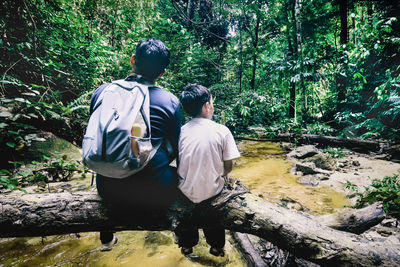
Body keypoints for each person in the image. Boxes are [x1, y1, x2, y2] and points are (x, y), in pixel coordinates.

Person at [89, 38, 181, 251]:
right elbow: (177, 150)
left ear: (132, 60)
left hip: (107, 189)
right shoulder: (169, 102)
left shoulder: (102, 92)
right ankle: (182, 232)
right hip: (154, 193)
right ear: (161, 73)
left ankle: (106, 238)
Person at [175, 83, 240, 257]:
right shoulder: (222, 131)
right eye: (211, 101)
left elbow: (175, 164)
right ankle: (216, 248)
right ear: (206, 105)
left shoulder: (180, 132)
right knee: (214, 223)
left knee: (186, 221)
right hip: (213, 193)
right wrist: (222, 175)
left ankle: (187, 248)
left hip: (185, 192)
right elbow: (228, 166)